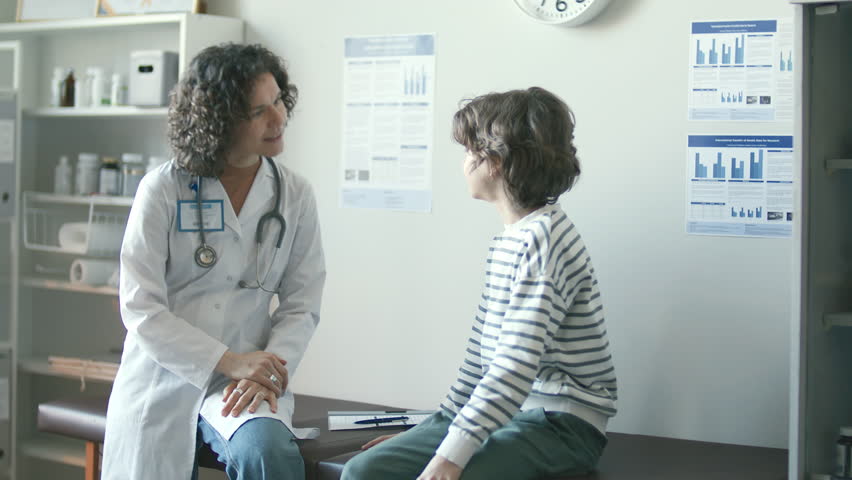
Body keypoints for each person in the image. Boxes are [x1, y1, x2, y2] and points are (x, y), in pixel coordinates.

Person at [342, 87, 618, 480]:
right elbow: (480, 362)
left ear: (496, 162)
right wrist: (426, 435)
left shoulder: (544, 240)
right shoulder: (511, 239)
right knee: (365, 471)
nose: (464, 163)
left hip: (561, 426)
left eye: (470, 151)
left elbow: (513, 367)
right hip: (509, 415)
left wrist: (448, 458)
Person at [102, 43, 326, 480]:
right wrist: (227, 359)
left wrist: (265, 372)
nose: (278, 119)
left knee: (268, 454)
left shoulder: (294, 195)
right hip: (162, 376)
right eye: (258, 111)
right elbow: (140, 308)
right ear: (219, 122)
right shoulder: (162, 190)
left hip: (245, 384)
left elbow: (302, 304)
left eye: (279, 101)